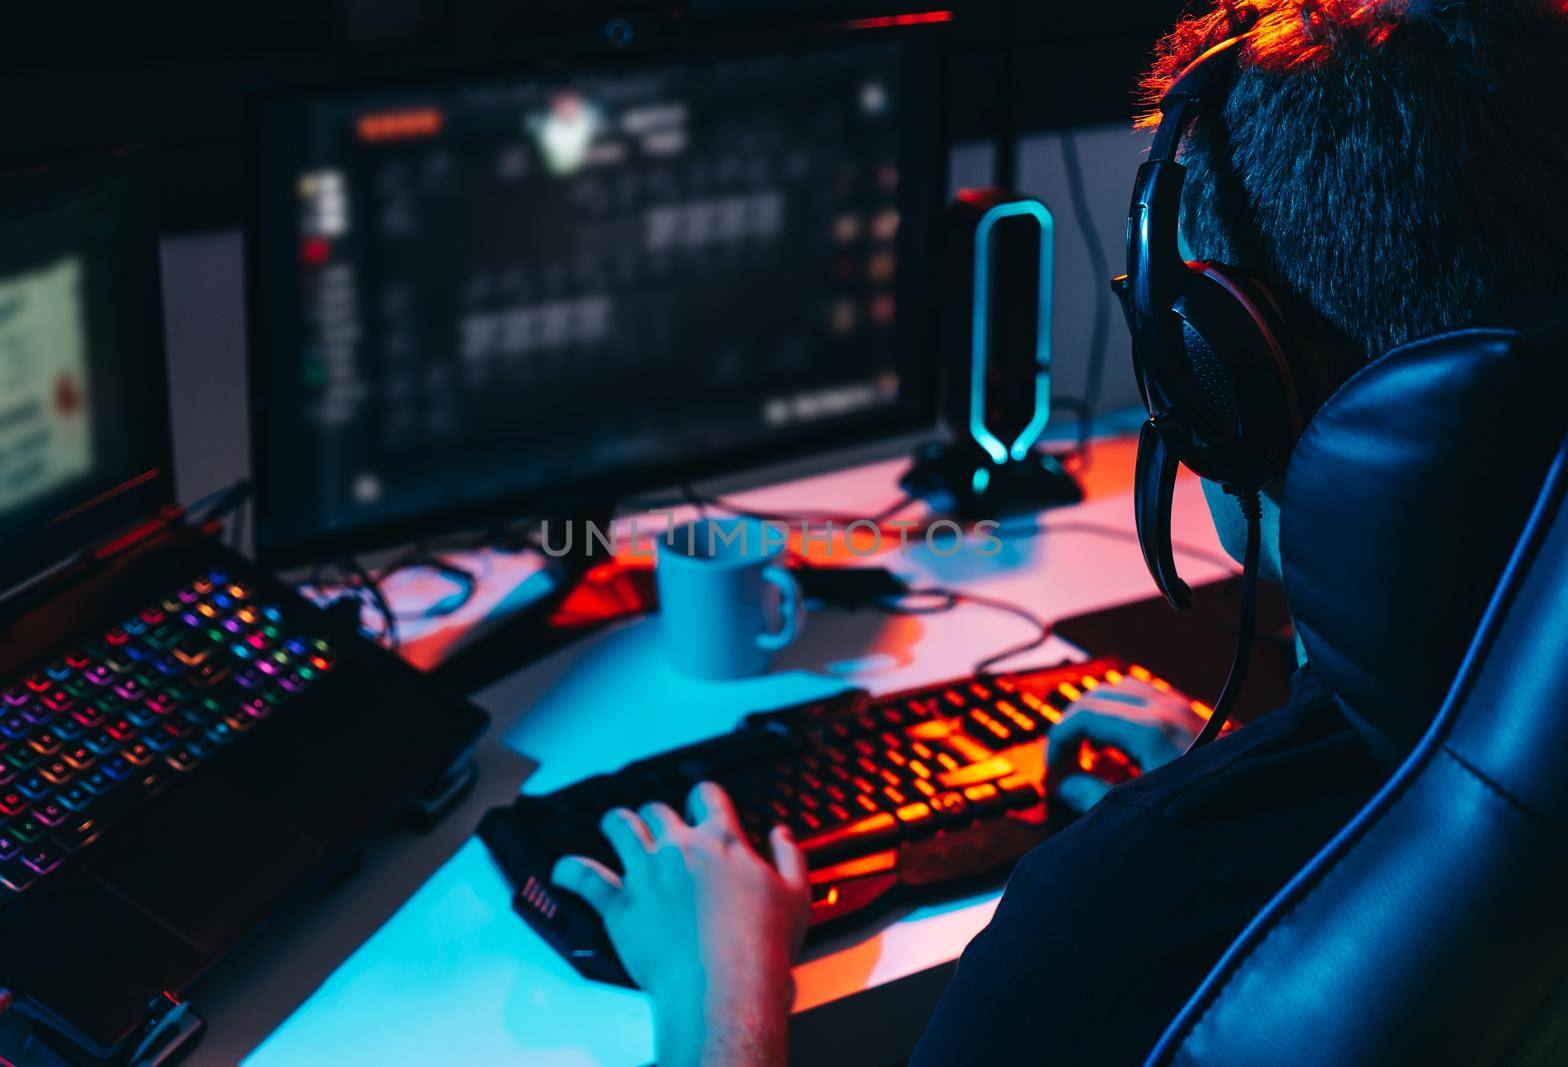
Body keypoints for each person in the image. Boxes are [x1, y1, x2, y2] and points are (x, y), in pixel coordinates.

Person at [549, 0, 1568, 1062]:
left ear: (1220, 377)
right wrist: (1226, 777)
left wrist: (718, 982)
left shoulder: (1122, 906)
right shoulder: (1486, 791)